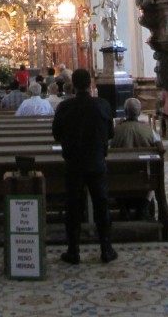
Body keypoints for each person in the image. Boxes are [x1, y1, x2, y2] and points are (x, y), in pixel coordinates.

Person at [52, 68, 117, 265]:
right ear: (91, 84)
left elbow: (56, 134)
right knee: (101, 204)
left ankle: (73, 250)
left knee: (73, 206)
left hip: (73, 163)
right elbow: (111, 133)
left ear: (73, 84)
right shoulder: (102, 105)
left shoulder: (65, 107)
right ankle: (106, 249)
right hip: (96, 161)